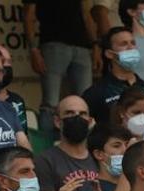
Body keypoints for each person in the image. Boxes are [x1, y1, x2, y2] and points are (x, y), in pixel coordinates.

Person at [82, 27, 144, 144]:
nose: (131, 48)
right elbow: (87, 134)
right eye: (124, 44)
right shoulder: (96, 93)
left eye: (133, 43)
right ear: (109, 54)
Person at [33, 95, 101, 191]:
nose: (77, 118)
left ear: (90, 121)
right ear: (57, 121)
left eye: (82, 114)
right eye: (69, 113)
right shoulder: (44, 161)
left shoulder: (99, 157)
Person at [25, 0, 95, 131]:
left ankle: (84, 144)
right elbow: (29, 16)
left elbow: (86, 14)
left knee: (85, 101)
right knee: (50, 103)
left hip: (82, 46)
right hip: (53, 44)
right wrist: (34, 49)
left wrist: (95, 44)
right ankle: (46, 146)